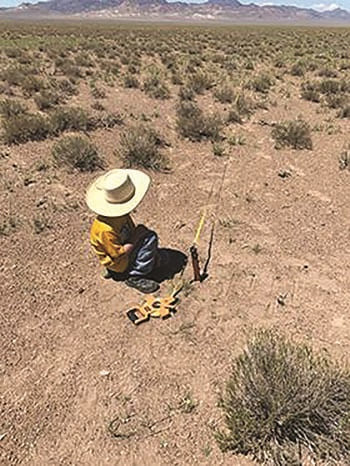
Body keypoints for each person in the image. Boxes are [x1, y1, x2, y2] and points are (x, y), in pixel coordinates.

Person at [86, 168, 166, 294]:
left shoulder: (118, 216)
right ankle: (135, 276)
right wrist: (137, 236)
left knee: (144, 237)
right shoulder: (104, 230)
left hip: (117, 258)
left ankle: (120, 269)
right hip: (119, 262)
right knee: (150, 238)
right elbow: (119, 254)